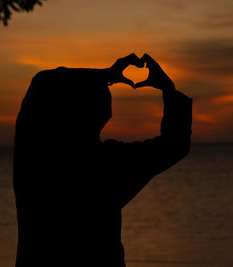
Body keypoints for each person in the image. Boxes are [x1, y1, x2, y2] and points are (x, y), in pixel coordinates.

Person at [13, 53, 192, 266]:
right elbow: (175, 144)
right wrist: (168, 89)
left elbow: (40, 85)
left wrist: (105, 75)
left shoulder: (34, 159)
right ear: (102, 116)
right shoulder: (107, 164)